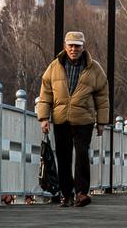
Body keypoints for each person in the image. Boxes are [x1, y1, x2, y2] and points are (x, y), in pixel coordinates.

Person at [37, 31, 109, 207]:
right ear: (65, 46)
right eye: (70, 45)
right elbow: (45, 94)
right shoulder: (54, 67)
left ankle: (81, 193)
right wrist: (43, 118)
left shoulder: (94, 68)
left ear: (83, 47)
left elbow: (103, 97)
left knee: (82, 154)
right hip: (61, 119)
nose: (73, 49)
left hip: (84, 119)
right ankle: (66, 194)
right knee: (63, 157)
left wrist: (101, 122)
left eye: (77, 45)